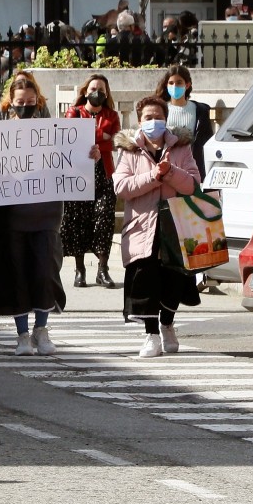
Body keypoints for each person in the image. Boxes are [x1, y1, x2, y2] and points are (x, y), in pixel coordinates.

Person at [113, 96, 201, 357]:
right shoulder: (129, 150)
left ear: (166, 119)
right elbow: (122, 187)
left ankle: (167, 324)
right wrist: (154, 176)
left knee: (174, 280)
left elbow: (194, 185)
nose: (154, 122)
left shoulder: (181, 148)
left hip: (175, 227)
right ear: (140, 122)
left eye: (158, 117)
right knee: (145, 281)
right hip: (142, 226)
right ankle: (151, 334)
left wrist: (171, 172)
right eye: (148, 118)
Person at [0, 74, 66, 356]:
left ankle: (41, 331)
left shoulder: (54, 131)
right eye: (20, 102)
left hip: (46, 213)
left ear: (38, 102)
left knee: (45, 271)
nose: (25, 106)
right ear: (10, 103)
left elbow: (72, 163)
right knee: (17, 273)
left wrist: (89, 154)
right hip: (13, 215)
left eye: (30, 102)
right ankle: (22, 334)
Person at [60, 74, 122, 289]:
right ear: (86, 91)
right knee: (77, 218)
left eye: (102, 90)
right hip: (79, 173)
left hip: (103, 173)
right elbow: (71, 136)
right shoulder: (74, 112)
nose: (97, 93)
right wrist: (100, 135)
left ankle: (102, 269)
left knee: (104, 217)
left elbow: (115, 141)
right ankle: (80, 269)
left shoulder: (112, 115)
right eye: (94, 88)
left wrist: (99, 142)